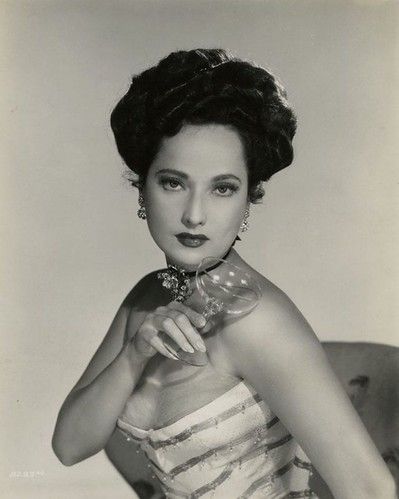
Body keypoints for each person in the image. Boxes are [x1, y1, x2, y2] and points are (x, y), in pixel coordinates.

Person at [52, 49, 396, 498]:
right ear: (142, 189)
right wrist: (133, 356)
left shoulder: (258, 319)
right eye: (173, 182)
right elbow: (70, 446)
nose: (195, 215)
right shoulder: (147, 299)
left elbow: (372, 490)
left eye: (223, 188)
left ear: (248, 199)